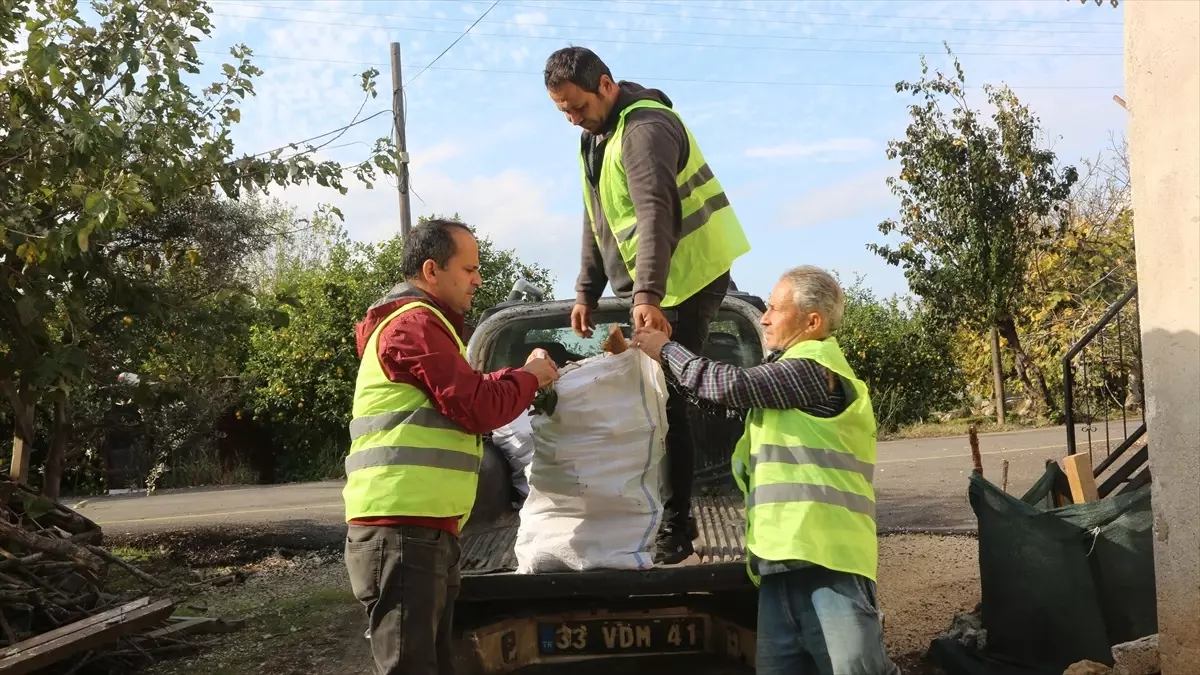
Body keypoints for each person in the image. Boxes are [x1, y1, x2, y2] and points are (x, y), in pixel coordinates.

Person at [630, 266, 900, 675]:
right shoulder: (785, 386)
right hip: (778, 569)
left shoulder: (815, 370)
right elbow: (713, 397)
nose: (765, 317)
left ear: (813, 322)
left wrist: (666, 349)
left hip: (829, 569)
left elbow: (730, 385)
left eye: (775, 308)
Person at [543, 45, 752, 564]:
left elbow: (655, 212)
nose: (572, 119)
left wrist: (647, 296)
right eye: (562, 111)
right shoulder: (596, 137)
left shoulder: (643, 129)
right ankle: (661, 515)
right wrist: (586, 289)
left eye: (577, 107)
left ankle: (677, 529)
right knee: (658, 397)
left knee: (669, 400)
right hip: (657, 281)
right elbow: (597, 217)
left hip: (690, 274)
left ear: (606, 85)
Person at [342, 219, 559, 675]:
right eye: (469, 268)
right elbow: (476, 405)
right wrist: (530, 378)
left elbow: (469, 390)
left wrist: (518, 375)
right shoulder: (414, 326)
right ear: (431, 270)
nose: (479, 279)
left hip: (422, 527)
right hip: (401, 528)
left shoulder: (425, 327)